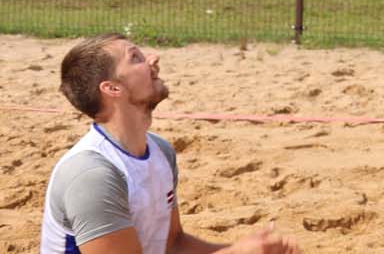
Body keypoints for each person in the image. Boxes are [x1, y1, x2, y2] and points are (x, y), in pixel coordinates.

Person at [40, 34, 301, 254]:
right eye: (136, 58)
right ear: (112, 89)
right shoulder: (92, 176)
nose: (153, 60)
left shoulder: (159, 151)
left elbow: (173, 244)